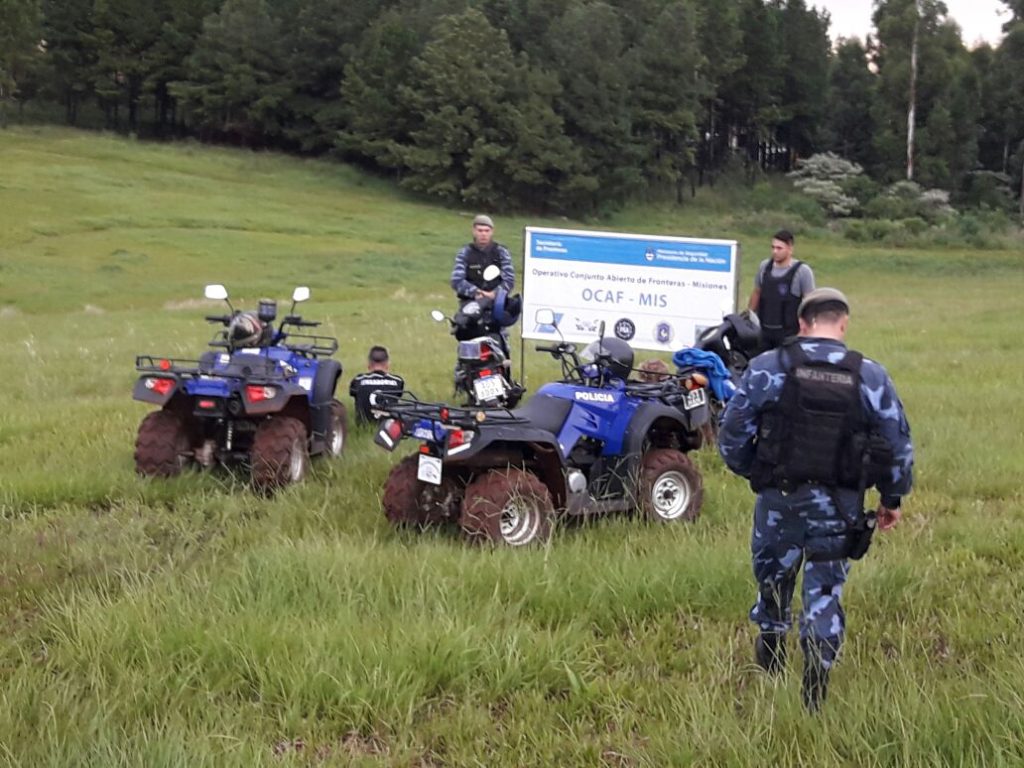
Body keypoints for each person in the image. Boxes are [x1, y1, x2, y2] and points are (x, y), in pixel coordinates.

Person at [717, 288, 914, 712]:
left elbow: (731, 431)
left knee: (772, 578)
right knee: (825, 592)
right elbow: (898, 445)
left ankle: (770, 658)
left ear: (801, 324)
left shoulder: (769, 367)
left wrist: (754, 471)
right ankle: (814, 693)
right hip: (840, 507)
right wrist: (891, 498)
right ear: (842, 325)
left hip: (779, 500)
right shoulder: (870, 376)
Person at [747, 229, 815, 350]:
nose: (775, 251)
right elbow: (757, 292)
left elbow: (809, 302)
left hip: (789, 336)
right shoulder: (764, 267)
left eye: (779, 248)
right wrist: (748, 317)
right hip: (764, 333)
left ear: (790, 248)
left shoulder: (802, 271)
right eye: (773, 247)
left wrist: (808, 330)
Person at [450, 214, 515, 301]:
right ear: (474, 231)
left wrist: (494, 294)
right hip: (470, 301)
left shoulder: (501, 252)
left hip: (497, 303)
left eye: (487, 231)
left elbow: (509, 280)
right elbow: (456, 281)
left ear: (492, 232)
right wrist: (476, 292)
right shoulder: (465, 252)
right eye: (480, 231)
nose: (483, 234)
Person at [348, 346, 405, 426]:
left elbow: (352, 393)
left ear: (369, 364)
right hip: (388, 429)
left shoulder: (358, 380)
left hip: (363, 426)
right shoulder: (397, 381)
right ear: (387, 364)